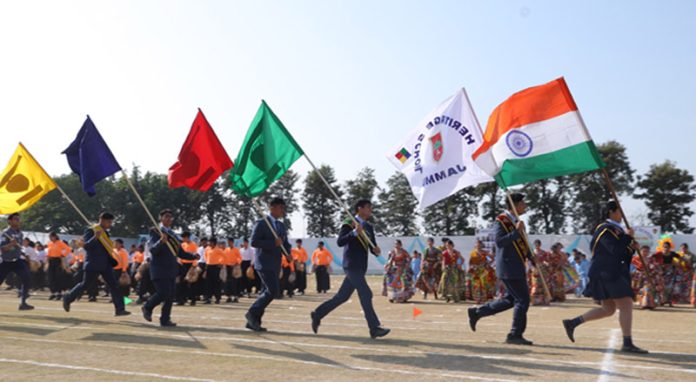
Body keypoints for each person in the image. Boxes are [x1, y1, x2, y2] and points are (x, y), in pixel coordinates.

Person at [562, 201, 648, 354]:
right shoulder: (604, 229)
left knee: (608, 309)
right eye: (619, 211)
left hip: (610, 271)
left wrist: (631, 248)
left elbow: (621, 253)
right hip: (606, 273)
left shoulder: (615, 230)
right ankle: (627, 342)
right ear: (611, 212)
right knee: (626, 304)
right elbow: (614, 250)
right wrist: (628, 238)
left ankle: (572, 323)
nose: (622, 215)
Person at [311, 199, 390, 339]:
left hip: (361, 266)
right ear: (359, 209)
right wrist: (354, 233)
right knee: (366, 294)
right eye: (368, 208)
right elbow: (340, 241)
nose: (370, 211)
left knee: (342, 297)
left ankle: (318, 313)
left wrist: (375, 250)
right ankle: (374, 328)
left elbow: (372, 246)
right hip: (351, 265)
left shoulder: (369, 227)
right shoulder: (349, 223)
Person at [468, 193, 536, 345]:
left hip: (516, 266)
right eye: (523, 203)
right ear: (515, 205)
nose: (525, 206)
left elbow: (521, 244)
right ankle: (515, 334)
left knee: (512, 300)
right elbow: (499, 242)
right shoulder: (501, 221)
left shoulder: (516, 221)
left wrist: (531, 257)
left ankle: (478, 312)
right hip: (508, 266)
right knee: (522, 300)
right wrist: (516, 232)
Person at [63, 212, 130, 316]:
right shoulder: (91, 230)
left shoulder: (106, 233)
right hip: (93, 263)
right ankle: (68, 297)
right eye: (109, 222)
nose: (110, 224)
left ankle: (120, 309)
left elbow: (107, 249)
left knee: (114, 285)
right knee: (85, 284)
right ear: (102, 220)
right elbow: (86, 246)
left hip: (106, 264)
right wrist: (95, 238)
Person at [141, 209, 199, 327]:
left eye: (170, 217)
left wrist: (193, 256)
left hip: (171, 268)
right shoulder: (155, 232)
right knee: (163, 292)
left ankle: (165, 319)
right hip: (159, 268)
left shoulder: (173, 235)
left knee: (170, 295)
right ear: (160, 218)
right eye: (166, 217)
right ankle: (147, 306)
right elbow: (153, 250)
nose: (169, 219)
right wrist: (161, 242)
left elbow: (180, 253)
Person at [244, 197, 292, 332]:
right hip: (264, 262)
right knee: (272, 291)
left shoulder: (281, 225)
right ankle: (252, 313)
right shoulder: (261, 223)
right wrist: (272, 244)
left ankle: (254, 322)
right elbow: (254, 242)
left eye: (283, 208)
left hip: (276, 263)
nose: (283, 211)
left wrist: (288, 253)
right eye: (280, 207)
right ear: (272, 208)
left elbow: (285, 243)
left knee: (265, 292)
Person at [0, 213, 34, 310]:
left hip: (17, 261)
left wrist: (24, 255)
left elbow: (19, 248)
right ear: (9, 221)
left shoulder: (20, 233)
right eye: (15, 219)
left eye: (19, 219)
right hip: (6, 261)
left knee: (26, 277)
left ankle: (23, 302)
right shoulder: (5, 233)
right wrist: (11, 244)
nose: (18, 221)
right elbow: (2, 249)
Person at [466, 239, 496, 304]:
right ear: (475, 245)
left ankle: (484, 298)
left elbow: (492, 258)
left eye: (479, 244)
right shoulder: (473, 253)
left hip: (484, 270)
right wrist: (471, 268)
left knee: (484, 283)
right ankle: (478, 299)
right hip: (475, 271)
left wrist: (488, 264)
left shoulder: (485, 252)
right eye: (477, 244)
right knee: (476, 284)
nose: (478, 245)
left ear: (481, 245)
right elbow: (470, 262)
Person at [46, 232, 71, 300]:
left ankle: (59, 292)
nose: (50, 238)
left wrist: (63, 255)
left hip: (57, 260)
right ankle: (53, 292)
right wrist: (47, 260)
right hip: (51, 260)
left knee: (58, 276)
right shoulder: (50, 243)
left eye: (51, 237)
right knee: (51, 276)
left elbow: (68, 249)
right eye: (50, 237)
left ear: (55, 236)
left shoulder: (60, 243)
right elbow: (49, 252)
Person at [177, 232, 198, 306]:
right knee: (182, 283)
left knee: (191, 283)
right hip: (183, 265)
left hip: (191, 265)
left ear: (187, 237)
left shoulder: (194, 245)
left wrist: (194, 266)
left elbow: (196, 256)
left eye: (184, 237)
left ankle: (193, 299)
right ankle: (182, 299)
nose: (183, 239)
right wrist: (179, 262)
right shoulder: (182, 245)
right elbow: (179, 255)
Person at [204, 238, 226, 304]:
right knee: (208, 283)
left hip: (216, 267)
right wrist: (207, 261)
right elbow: (205, 256)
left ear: (214, 243)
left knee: (216, 283)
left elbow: (224, 256)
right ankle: (208, 298)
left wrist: (220, 263)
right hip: (209, 266)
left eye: (210, 242)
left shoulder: (218, 250)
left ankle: (217, 298)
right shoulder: (207, 249)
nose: (209, 244)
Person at [529, 240, 551, 306]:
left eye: (538, 244)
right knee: (535, 285)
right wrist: (532, 268)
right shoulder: (531, 252)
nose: (537, 246)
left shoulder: (543, 252)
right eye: (535, 244)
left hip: (542, 269)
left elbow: (545, 260)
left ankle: (545, 301)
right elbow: (529, 262)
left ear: (540, 245)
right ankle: (535, 301)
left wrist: (546, 264)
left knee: (544, 285)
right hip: (535, 270)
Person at [224, 238, 242, 303]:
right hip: (227, 267)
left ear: (233, 242)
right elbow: (224, 257)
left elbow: (240, 258)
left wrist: (236, 263)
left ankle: (235, 296)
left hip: (234, 267)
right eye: (228, 242)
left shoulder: (236, 250)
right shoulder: (226, 250)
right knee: (228, 282)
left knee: (234, 282)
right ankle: (229, 296)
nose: (229, 243)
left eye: (230, 242)